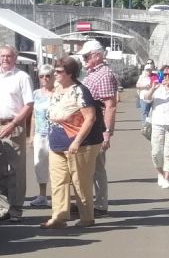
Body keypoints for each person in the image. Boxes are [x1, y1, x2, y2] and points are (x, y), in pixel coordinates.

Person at [41, 56, 102, 229]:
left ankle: (87, 217)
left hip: (80, 144)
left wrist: (77, 141)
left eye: (59, 71)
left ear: (70, 73)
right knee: (58, 181)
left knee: (80, 181)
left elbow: (90, 118)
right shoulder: (57, 89)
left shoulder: (80, 91)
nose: (55, 74)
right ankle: (58, 217)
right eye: (55, 71)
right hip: (56, 143)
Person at [0, 45, 35, 222]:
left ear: (15, 58)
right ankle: (3, 206)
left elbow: (29, 104)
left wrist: (13, 124)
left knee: (16, 170)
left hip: (14, 125)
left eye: (9, 56)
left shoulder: (22, 77)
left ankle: (16, 209)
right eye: (3, 56)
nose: (5, 59)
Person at [79, 38, 119, 214]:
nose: (84, 59)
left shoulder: (103, 74)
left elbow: (110, 105)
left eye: (86, 56)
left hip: (97, 128)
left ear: (96, 56)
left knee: (96, 167)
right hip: (91, 126)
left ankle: (100, 204)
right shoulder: (94, 73)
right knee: (93, 167)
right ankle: (95, 202)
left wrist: (107, 133)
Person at [30, 66, 55, 209]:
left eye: (48, 76)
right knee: (39, 165)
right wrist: (31, 135)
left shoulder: (58, 93)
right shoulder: (36, 94)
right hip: (40, 134)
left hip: (55, 134)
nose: (45, 79)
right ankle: (42, 195)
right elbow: (33, 116)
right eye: (42, 76)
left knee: (56, 165)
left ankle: (57, 196)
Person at [135, 63, 157, 136]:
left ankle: (152, 126)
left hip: (153, 97)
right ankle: (145, 126)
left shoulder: (155, 76)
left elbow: (159, 84)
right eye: (147, 70)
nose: (148, 71)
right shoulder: (142, 77)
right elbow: (137, 85)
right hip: (143, 96)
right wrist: (144, 86)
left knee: (153, 112)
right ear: (145, 70)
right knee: (144, 111)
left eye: (150, 70)